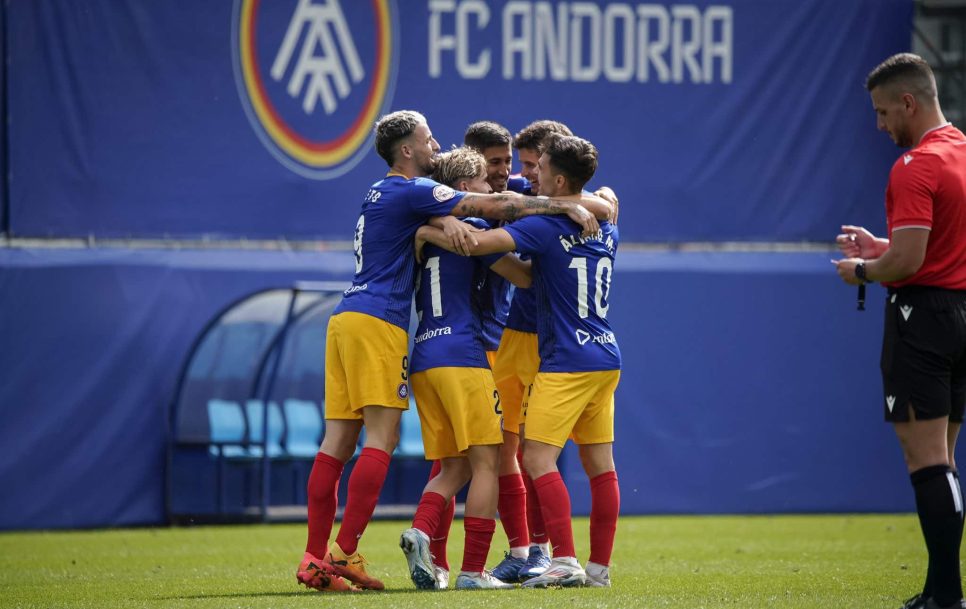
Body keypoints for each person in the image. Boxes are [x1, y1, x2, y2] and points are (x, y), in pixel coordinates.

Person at [295, 110, 611, 593]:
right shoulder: (425, 198)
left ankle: (335, 553)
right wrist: (558, 213)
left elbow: (434, 228)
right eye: (427, 138)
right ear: (410, 151)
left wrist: (431, 230)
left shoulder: (399, 206)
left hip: (385, 334)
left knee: (380, 451)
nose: (433, 144)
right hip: (443, 346)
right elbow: (507, 238)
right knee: (483, 458)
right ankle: (464, 568)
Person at [416, 133, 621, 588]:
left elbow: (480, 245)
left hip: (564, 359)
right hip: (606, 354)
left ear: (560, 178)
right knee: (601, 466)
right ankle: (599, 569)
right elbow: (604, 200)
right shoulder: (608, 224)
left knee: (536, 459)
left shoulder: (545, 227)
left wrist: (429, 230)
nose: (532, 176)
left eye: (540, 167)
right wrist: (599, 197)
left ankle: (562, 559)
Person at [833, 53, 966, 609]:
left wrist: (862, 269)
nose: (881, 125)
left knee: (927, 460)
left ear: (909, 103)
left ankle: (946, 594)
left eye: (885, 112)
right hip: (959, 313)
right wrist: (882, 248)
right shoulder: (961, 150)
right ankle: (941, 590)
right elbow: (934, 251)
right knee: (945, 458)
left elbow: (909, 263)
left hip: (922, 319)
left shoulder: (916, 165)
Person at [400, 146, 530, 591]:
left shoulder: (421, 233)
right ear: (460, 189)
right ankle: (473, 572)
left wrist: (432, 223)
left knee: (452, 468)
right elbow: (523, 277)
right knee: (487, 462)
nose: (486, 190)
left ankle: (419, 532)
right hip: (463, 356)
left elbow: (420, 232)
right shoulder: (470, 227)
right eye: (478, 185)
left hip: (424, 358)